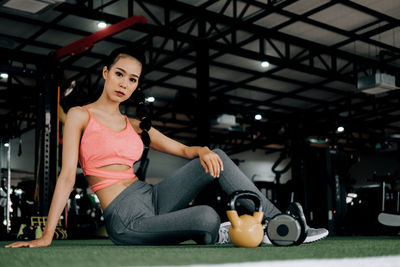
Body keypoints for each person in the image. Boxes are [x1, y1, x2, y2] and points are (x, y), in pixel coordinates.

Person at [6, 46, 328, 247]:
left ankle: (277, 224)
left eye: (132, 80)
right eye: (119, 74)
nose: (124, 84)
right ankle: (214, 231)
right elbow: (66, 177)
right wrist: (47, 235)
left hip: (151, 196)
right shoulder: (80, 115)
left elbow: (185, 151)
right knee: (206, 217)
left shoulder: (135, 125)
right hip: (124, 216)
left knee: (216, 156)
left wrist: (202, 150)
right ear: (106, 73)